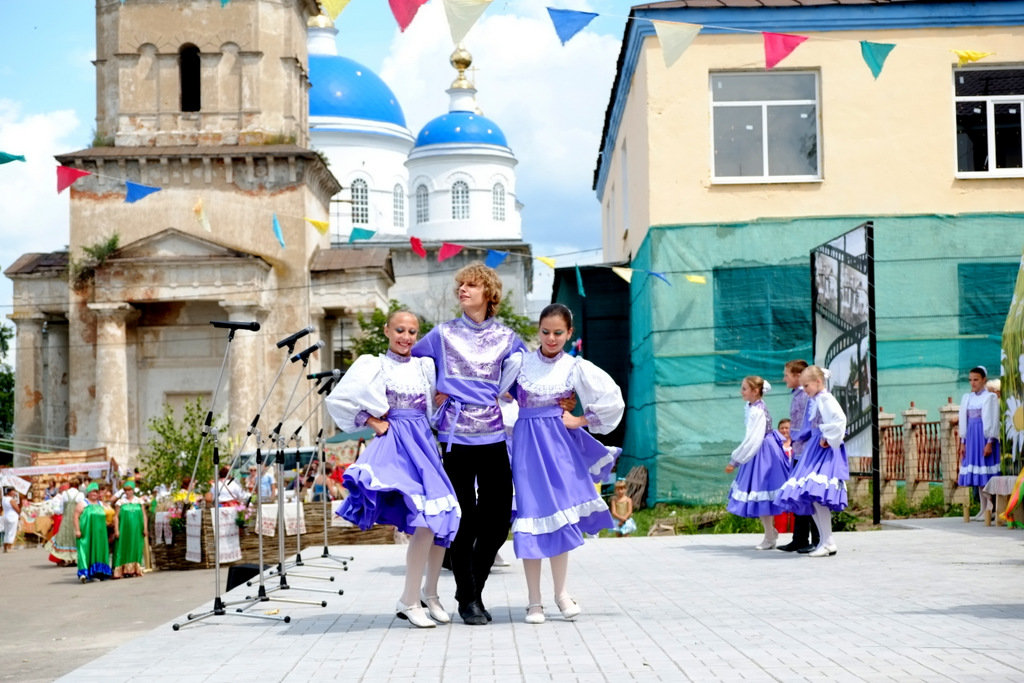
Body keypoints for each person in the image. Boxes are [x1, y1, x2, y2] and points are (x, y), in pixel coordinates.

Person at [327, 309, 461, 629]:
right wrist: (373, 422)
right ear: (387, 330)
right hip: (396, 444)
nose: (405, 337)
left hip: (424, 444)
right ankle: (409, 599)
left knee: (443, 514)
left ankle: (429, 594)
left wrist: (444, 401)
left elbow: (433, 406)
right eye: (399, 330)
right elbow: (340, 400)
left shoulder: (425, 366)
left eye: (412, 332)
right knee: (423, 518)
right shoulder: (374, 365)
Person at [412, 263, 527, 626]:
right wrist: (433, 393)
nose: (463, 289)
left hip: (493, 433)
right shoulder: (441, 335)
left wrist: (563, 404)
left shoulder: (509, 338)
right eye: (461, 284)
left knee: (496, 520)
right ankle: (469, 598)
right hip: (454, 435)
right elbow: (410, 362)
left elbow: (527, 377)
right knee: (463, 519)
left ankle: (470, 588)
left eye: (472, 285)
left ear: (488, 294)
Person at [500, 303, 623, 624]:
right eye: (545, 332)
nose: (551, 338)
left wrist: (580, 418)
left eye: (558, 333)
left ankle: (561, 593)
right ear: (537, 331)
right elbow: (493, 391)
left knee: (558, 517)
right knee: (531, 515)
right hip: (526, 447)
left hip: (558, 449)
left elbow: (612, 400)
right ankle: (534, 601)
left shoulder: (575, 366)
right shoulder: (519, 363)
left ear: (569, 333)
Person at [775, 365, 848, 557]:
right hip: (814, 449)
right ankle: (826, 540)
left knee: (817, 493)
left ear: (818, 382)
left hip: (821, 450)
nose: (805, 390)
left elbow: (840, 420)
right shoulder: (816, 399)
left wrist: (827, 437)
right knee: (812, 496)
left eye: (806, 385)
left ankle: (827, 540)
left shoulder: (825, 398)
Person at [724, 376, 791, 550]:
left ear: (755, 391)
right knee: (761, 495)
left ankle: (770, 535)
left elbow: (753, 439)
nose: (741, 391)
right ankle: (770, 533)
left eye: (745, 388)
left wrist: (736, 460)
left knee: (762, 493)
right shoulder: (751, 406)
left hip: (763, 454)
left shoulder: (757, 411)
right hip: (758, 453)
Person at [776, 359, 819, 554]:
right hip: (798, 450)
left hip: (806, 452)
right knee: (800, 497)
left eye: (787, 375)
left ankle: (817, 539)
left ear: (797, 376)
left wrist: (793, 437)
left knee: (809, 496)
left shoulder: (805, 397)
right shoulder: (797, 396)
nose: (784, 378)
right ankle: (800, 538)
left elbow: (806, 426)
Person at [958, 365, 1001, 519]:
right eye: (970, 380)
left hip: (983, 436)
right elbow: (964, 420)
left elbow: (993, 420)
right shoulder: (967, 398)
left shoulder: (989, 397)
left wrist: (990, 442)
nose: (973, 383)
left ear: (984, 380)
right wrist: (963, 442)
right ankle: (983, 508)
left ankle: (991, 505)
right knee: (976, 473)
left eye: (976, 379)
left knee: (985, 472)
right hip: (971, 437)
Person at [75, 482, 112, 582]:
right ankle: (83, 573)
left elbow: (110, 513)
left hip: (100, 534)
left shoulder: (101, 504)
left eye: (96, 492)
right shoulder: (83, 503)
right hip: (86, 533)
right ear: (88, 493)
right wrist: (77, 530)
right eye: (92, 492)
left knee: (99, 551)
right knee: (85, 550)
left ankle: (99, 572)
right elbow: (76, 517)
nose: (94, 494)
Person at [112, 481, 147, 578]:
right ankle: (122, 570)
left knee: (135, 547)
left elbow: (144, 515)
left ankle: (135, 569)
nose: (128, 492)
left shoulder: (139, 501)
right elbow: (116, 517)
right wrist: (116, 530)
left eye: (130, 490)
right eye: (126, 490)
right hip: (124, 529)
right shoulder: (120, 502)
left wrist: (145, 528)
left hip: (136, 529)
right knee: (123, 547)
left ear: (133, 490)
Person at [46, 477, 83, 565]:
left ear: (70, 485)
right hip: (76, 518)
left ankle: (68, 559)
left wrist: (55, 511)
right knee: (74, 538)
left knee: (66, 538)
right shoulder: (80, 494)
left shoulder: (65, 494)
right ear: (78, 485)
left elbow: (61, 509)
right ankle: (74, 559)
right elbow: (82, 508)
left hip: (66, 518)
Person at [2, 488, 21, 552]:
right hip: (12, 517)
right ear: (9, 492)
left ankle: (5, 547)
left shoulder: (4, 499)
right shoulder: (11, 500)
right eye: (13, 492)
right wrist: (19, 514)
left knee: (7, 532)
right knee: (12, 532)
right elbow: (16, 508)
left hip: (6, 516)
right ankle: (9, 547)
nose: (14, 493)